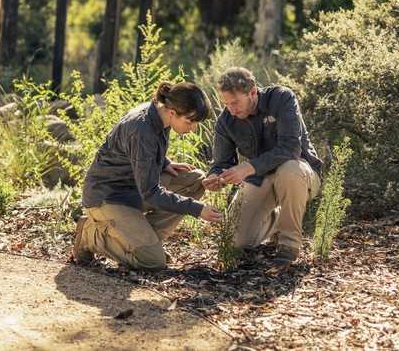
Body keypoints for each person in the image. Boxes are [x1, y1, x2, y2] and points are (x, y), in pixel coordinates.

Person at [72, 81, 222, 269]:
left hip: (133, 188)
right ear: (172, 112)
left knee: (195, 181)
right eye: (190, 122)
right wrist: (197, 209)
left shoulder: (160, 114)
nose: (192, 129)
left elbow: (137, 153)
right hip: (107, 197)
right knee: (153, 261)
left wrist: (165, 163)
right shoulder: (141, 127)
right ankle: (89, 235)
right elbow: (150, 192)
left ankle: (144, 241)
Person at [202, 67, 322, 270]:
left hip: (299, 172)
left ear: (253, 92)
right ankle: (276, 220)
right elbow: (221, 162)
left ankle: (289, 245)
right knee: (235, 241)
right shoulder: (226, 121)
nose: (231, 109)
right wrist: (215, 177)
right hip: (261, 179)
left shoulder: (282, 98)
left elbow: (290, 148)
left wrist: (248, 167)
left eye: (235, 102)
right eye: (227, 103)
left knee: (289, 170)